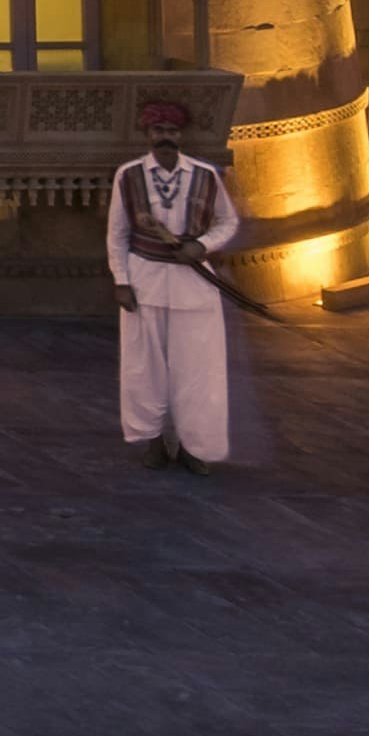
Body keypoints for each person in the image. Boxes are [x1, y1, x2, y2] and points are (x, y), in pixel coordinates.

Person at [107, 96, 242, 470]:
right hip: (144, 282)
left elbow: (227, 222)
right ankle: (152, 441)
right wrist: (122, 281)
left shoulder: (204, 175)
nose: (165, 136)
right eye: (158, 130)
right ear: (148, 134)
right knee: (143, 368)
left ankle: (192, 447)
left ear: (181, 135)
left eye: (171, 130)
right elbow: (117, 234)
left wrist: (201, 245)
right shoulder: (128, 176)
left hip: (193, 286)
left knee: (198, 370)